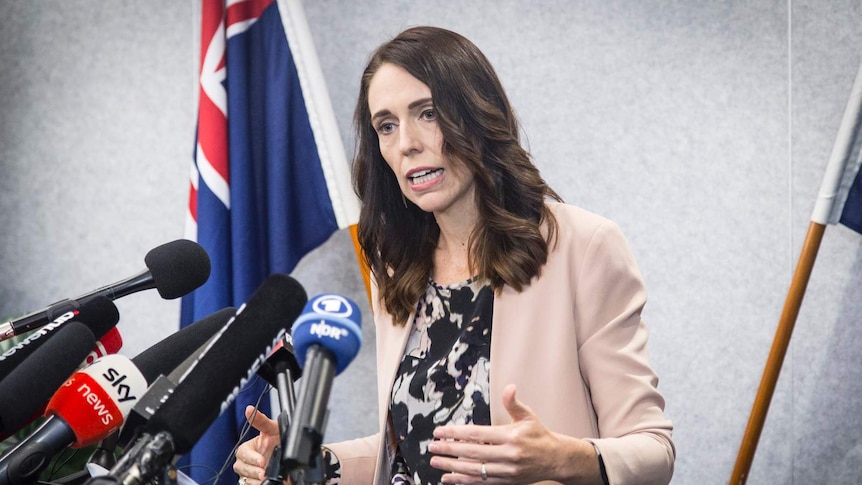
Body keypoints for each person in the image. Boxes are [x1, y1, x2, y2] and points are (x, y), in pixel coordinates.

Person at [234, 26, 674, 485]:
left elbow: (653, 452)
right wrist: (310, 462)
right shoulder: (396, 263)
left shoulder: (583, 245)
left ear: (478, 116)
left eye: (427, 113)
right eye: (386, 125)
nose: (406, 142)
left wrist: (559, 459)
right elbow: (413, 445)